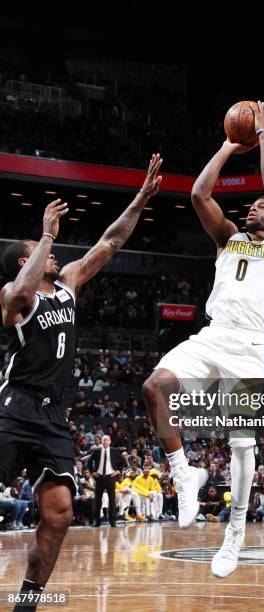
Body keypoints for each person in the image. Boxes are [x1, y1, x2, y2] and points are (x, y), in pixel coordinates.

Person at [143, 101, 264, 578]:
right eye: (249, 205)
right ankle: (183, 472)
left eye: (258, 206)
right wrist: (230, 146)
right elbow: (197, 193)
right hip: (211, 335)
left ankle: (235, 534)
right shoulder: (228, 237)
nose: (252, 206)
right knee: (154, 387)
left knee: (241, 446)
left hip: (251, 347)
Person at [0, 154, 163, 610]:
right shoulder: (15, 296)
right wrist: (46, 234)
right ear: (22, 262)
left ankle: (25, 603)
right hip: (14, 406)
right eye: (38, 251)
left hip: (52, 414)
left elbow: (108, 243)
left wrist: (140, 198)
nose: (52, 254)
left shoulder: (68, 282)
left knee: (60, 514)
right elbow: (16, 295)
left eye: (48, 248)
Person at [89, 434, 125, 527]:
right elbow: (89, 461)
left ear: (110, 441)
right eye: (103, 440)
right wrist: (92, 471)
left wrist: (117, 471)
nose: (105, 441)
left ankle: (112, 522)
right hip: (99, 478)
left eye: (107, 440)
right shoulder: (96, 451)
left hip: (110, 477)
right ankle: (97, 522)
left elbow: (123, 461)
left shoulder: (114, 451)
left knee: (112, 500)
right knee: (98, 500)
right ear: (101, 441)